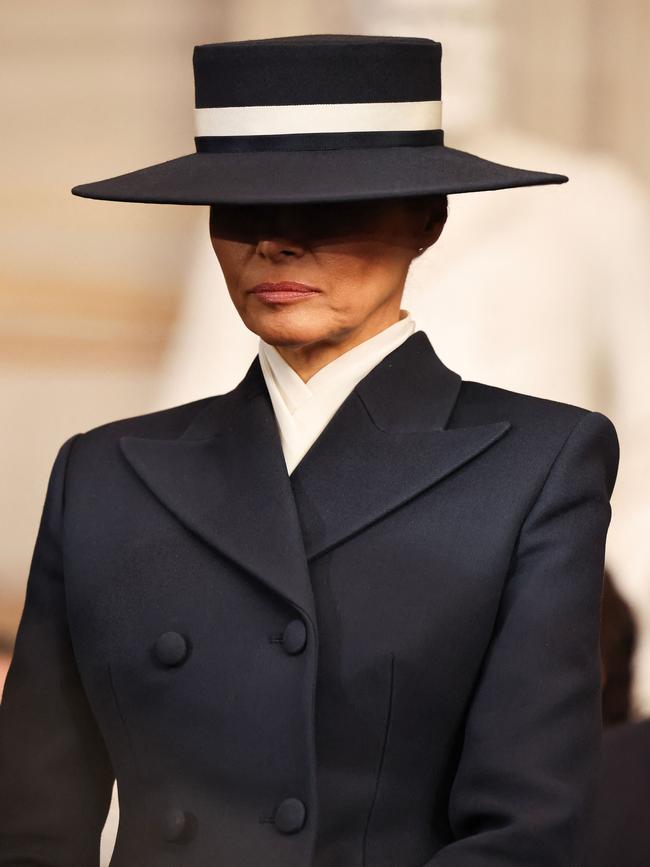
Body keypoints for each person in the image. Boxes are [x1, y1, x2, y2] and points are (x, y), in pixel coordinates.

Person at [0, 34, 620, 867]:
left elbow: (526, 827)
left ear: (427, 219)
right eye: (243, 205)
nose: (277, 242)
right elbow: (35, 819)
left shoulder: (537, 465)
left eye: (330, 204)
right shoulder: (103, 473)